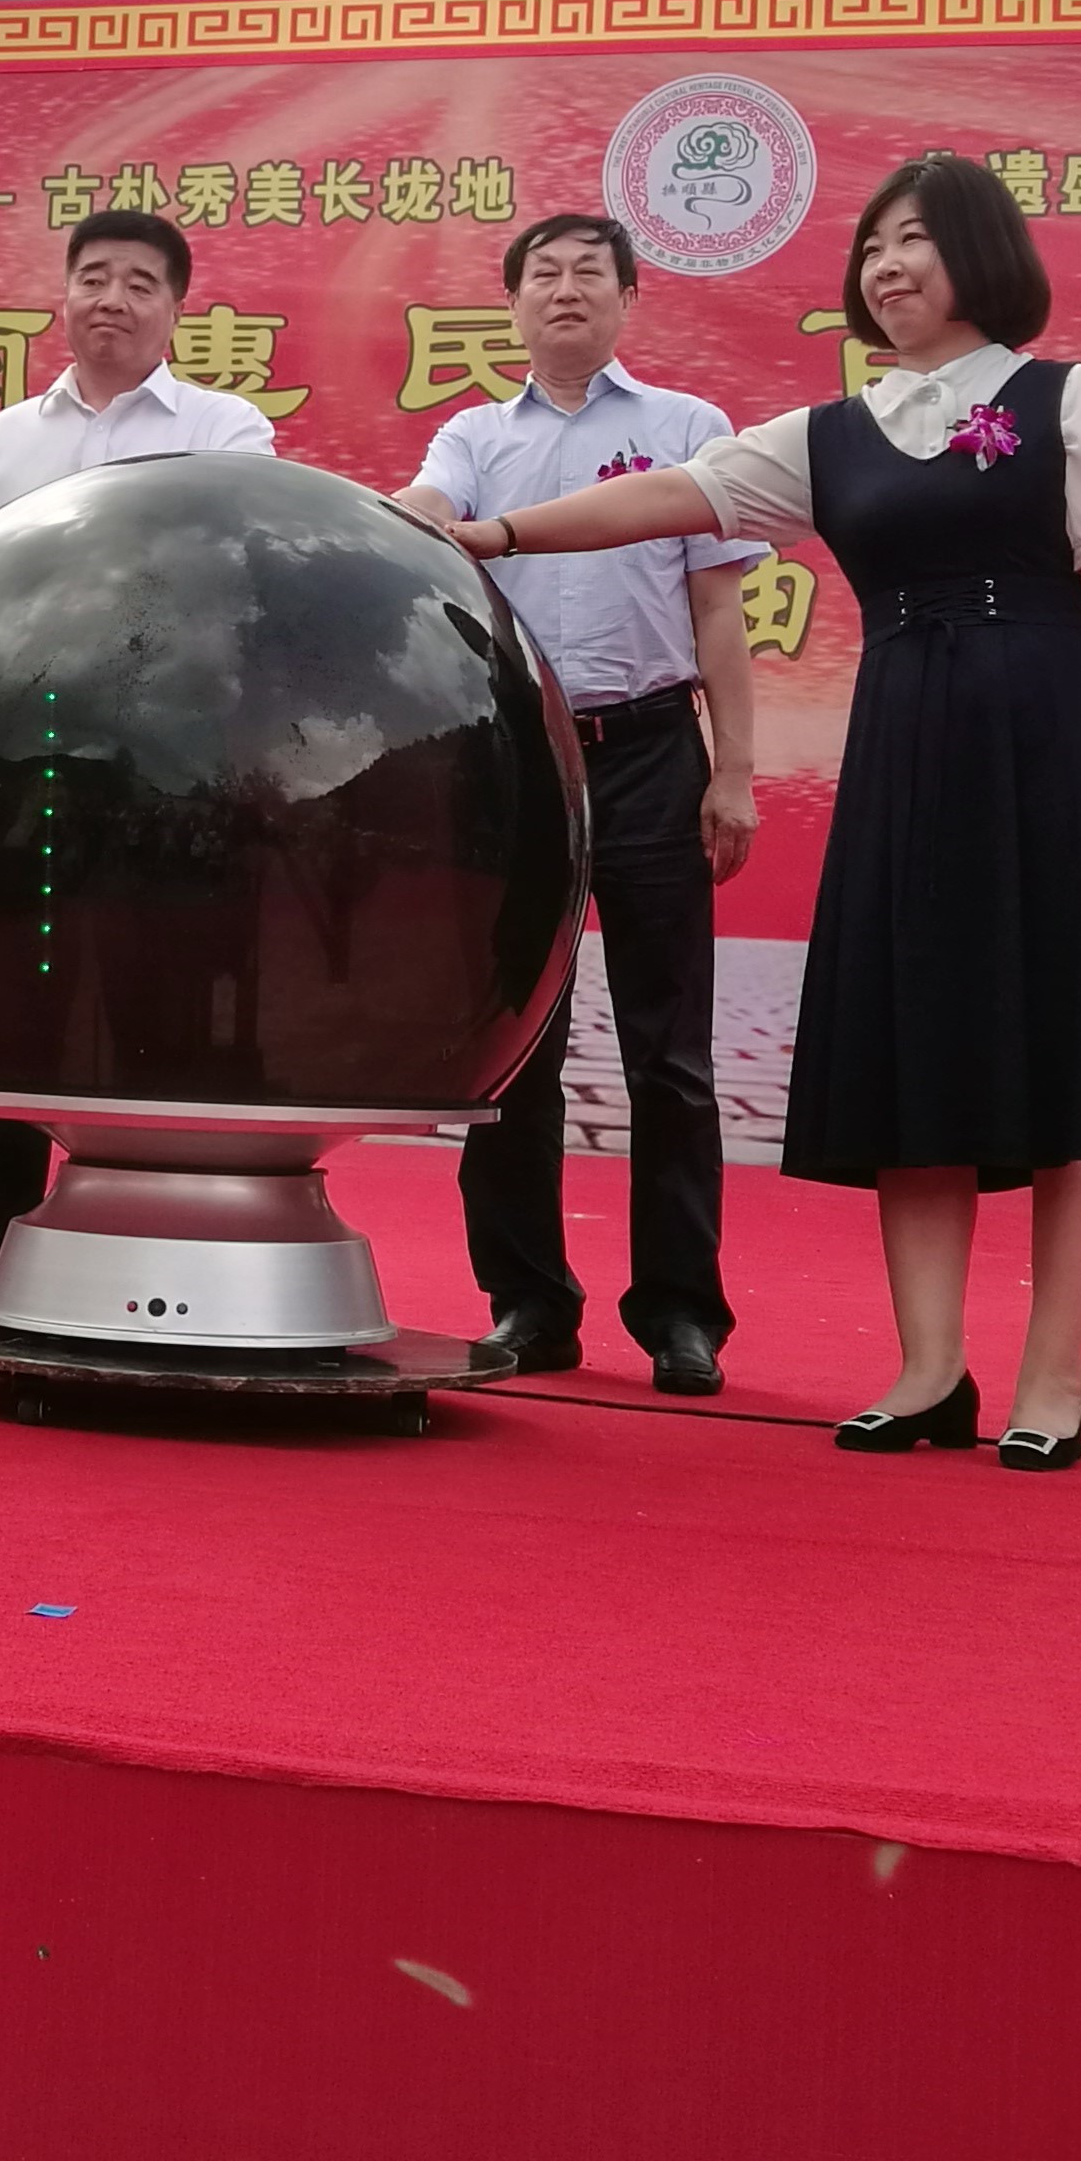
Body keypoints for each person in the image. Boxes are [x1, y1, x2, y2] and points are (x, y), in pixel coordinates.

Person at [440, 153, 1081, 1472]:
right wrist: (497, 536)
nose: (887, 267)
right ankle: (928, 1370)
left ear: (982, 256)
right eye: (872, 248)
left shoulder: (1063, 399)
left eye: (915, 241)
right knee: (919, 1053)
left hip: (1053, 741)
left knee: (1075, 1055)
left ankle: (1054, 1378)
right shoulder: (832, 433)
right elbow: (672, 498)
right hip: (907, 749)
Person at [389, 210, 759, 1395]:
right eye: (540, 274)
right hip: (517, 762)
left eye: (587, 273)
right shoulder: (473, 435)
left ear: (626, 298)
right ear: (510, 305)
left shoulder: (684, 429)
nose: (563, 289)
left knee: (670, 1055)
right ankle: (526, 1303)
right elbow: (427, 506)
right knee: (512, 1051)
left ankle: (681, 1314)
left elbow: (717, 612)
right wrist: (391, 512)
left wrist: (733, 770)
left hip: (652, 751)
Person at [0, 205, 278, 1318]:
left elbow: (234, 584)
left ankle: (161, 1268)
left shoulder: (227, 432)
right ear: (63, 295)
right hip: (19, 763)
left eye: (139, 282)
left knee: (157, 1004)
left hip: (167, 769)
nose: (112, 299)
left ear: (176, 308)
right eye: (94, 277)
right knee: (5, 1014)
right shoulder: (3, 442)